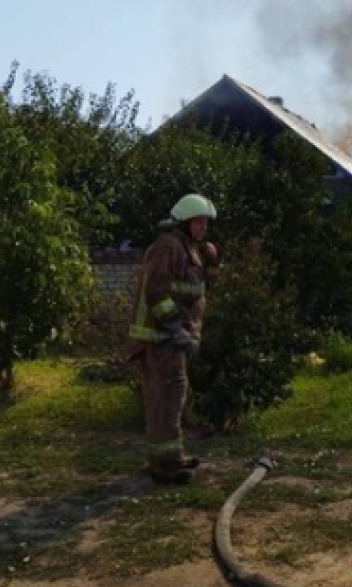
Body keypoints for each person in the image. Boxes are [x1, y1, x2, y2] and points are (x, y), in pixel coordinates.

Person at [125, 194, 219, 485]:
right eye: (199, 222)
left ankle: (171, 458)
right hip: (157, 340)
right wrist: (177, 328)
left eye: (206, 223)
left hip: (170, 340)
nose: (204, 227)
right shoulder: (167, 246)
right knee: (163, 400)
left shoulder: (187, 248)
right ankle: (162, 467)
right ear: (184, 222)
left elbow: (191, 292)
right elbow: (156, 292)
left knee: (174, 396)